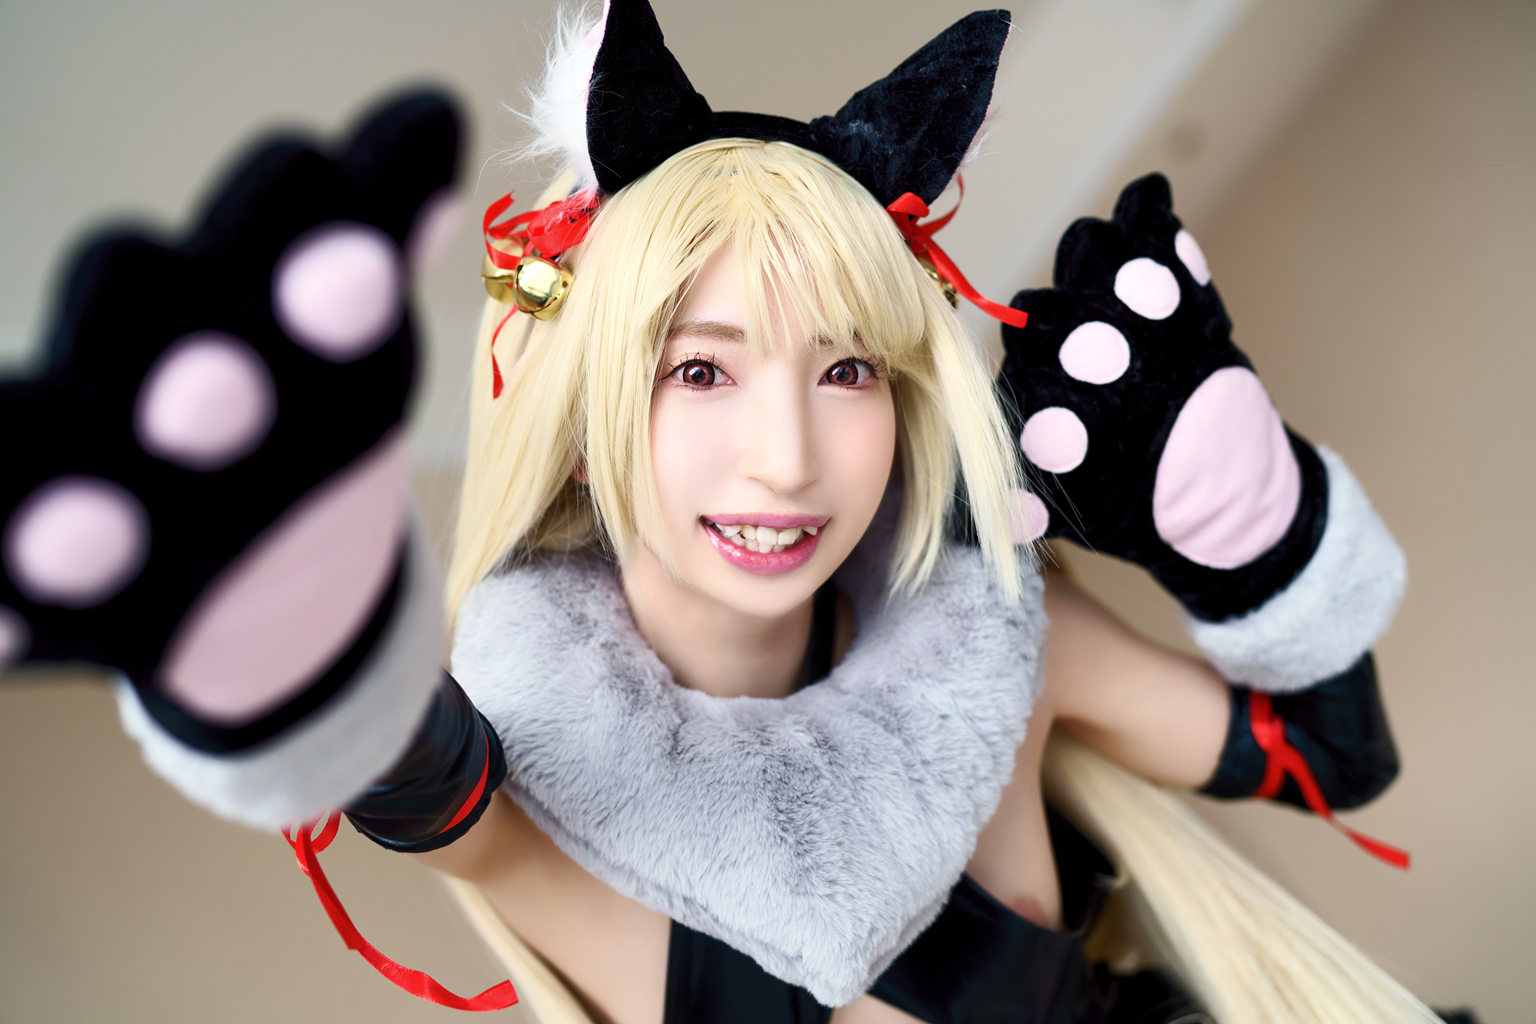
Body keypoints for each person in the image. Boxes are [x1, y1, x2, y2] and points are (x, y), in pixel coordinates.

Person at [0, 1, 1439, 1021]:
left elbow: (1334, 759)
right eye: (700, 370)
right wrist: (291, 647)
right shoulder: (539, 767)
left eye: (847, 370)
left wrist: (1251, 533)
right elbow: (411, 777)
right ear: (586, 414)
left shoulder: (994, 628)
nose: (785, 461)